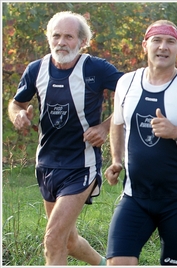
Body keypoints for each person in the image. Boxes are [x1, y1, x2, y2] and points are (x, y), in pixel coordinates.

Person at [7, 11, 124, 265]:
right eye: (56, 36)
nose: (61, 42)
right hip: (47, 164)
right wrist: (17, 115)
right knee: (68, 240)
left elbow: (131, 94)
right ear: (49, 39)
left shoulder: (96, 68)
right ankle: (106, 264)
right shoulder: (36, 69)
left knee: (53, 239)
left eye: (68, 37)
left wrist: (105, 127)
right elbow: (15, 104)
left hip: (81, 165)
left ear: (82, 42)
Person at [104, 19, 177, 265]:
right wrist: (116, 160)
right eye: (156, 40)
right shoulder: (126, 83)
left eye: (170, 42)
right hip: (134, 196)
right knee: (118, 262)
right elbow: (117, 123)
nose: (163, 47)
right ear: (145, 45)